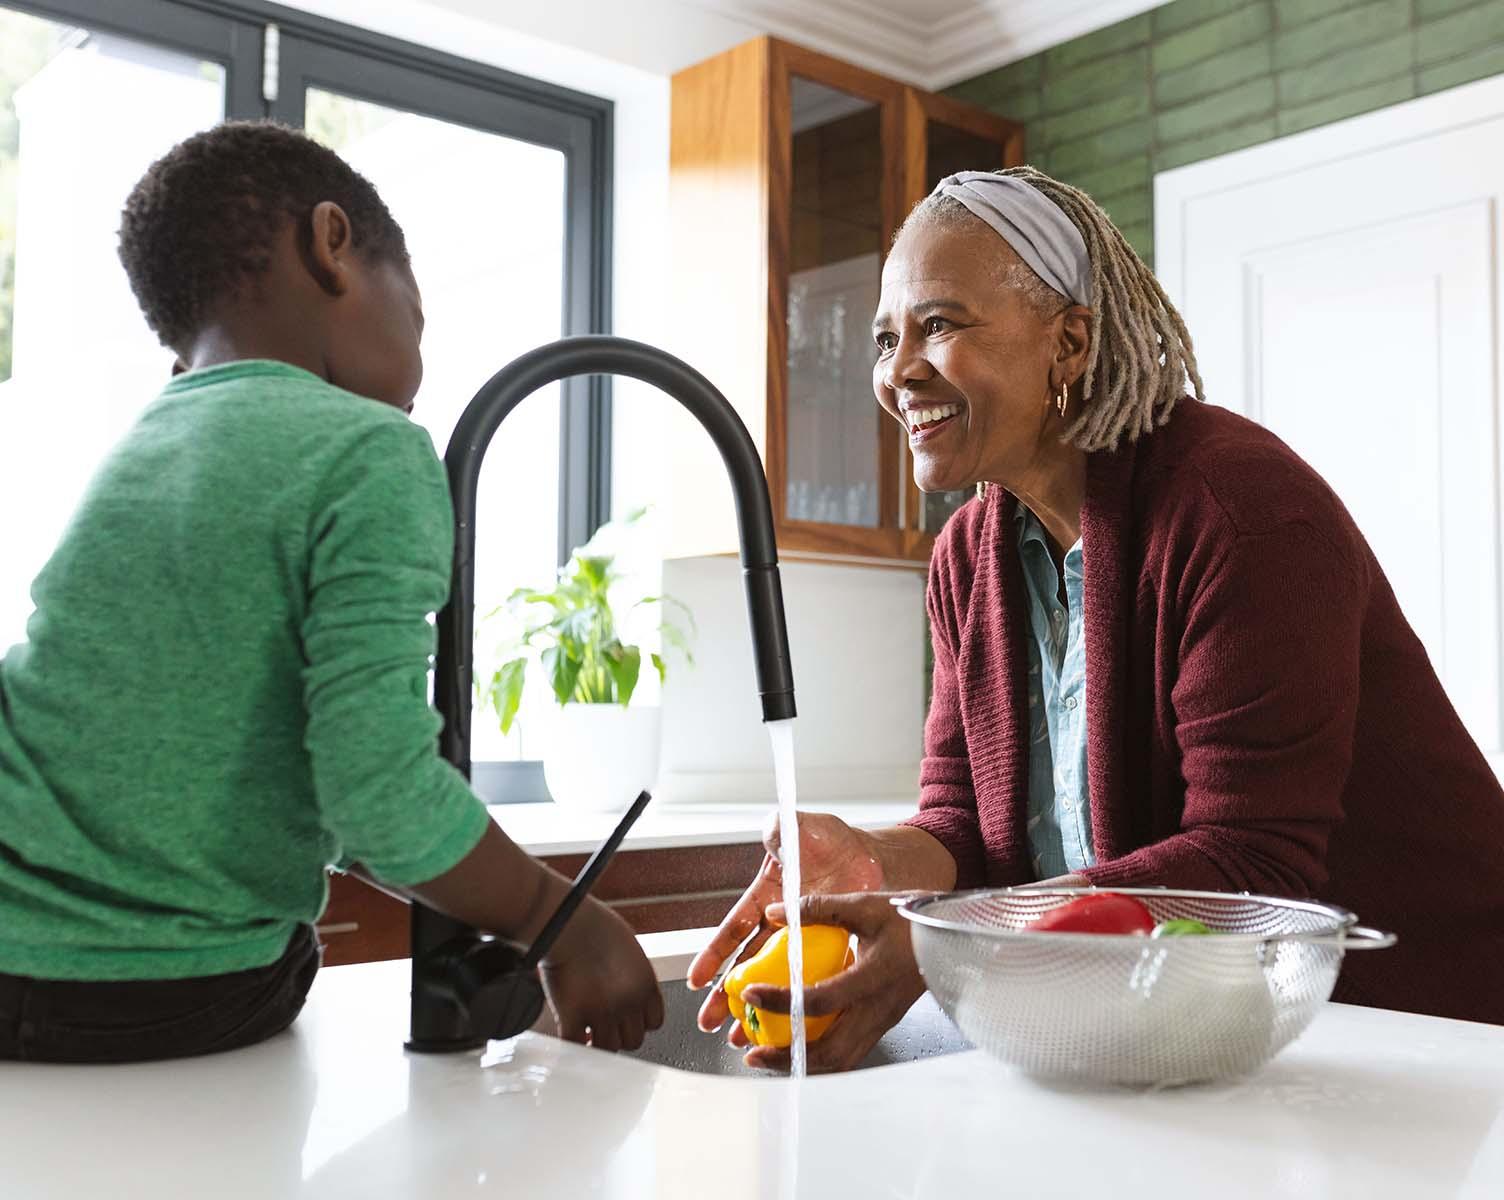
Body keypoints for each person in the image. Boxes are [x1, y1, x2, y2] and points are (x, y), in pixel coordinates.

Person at [689, 166, 1504, 1072]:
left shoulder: (1240, 511)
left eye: (939, 324)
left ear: (1069, 342)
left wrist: (941, 944)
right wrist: (870, 855)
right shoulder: (968, 557)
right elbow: (968, 833)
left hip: (1429, 1036)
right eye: (886, 339)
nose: (899, 372)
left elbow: (1251, 867)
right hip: (1192, 1032)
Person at [0, 121, 661, 1062]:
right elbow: (377, 793)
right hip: (179, 991)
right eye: (420, 314)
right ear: (332, 245)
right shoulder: (368, 448)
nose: (420, 368)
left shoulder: (140, 450)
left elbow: (224, 769)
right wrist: (565, 920)